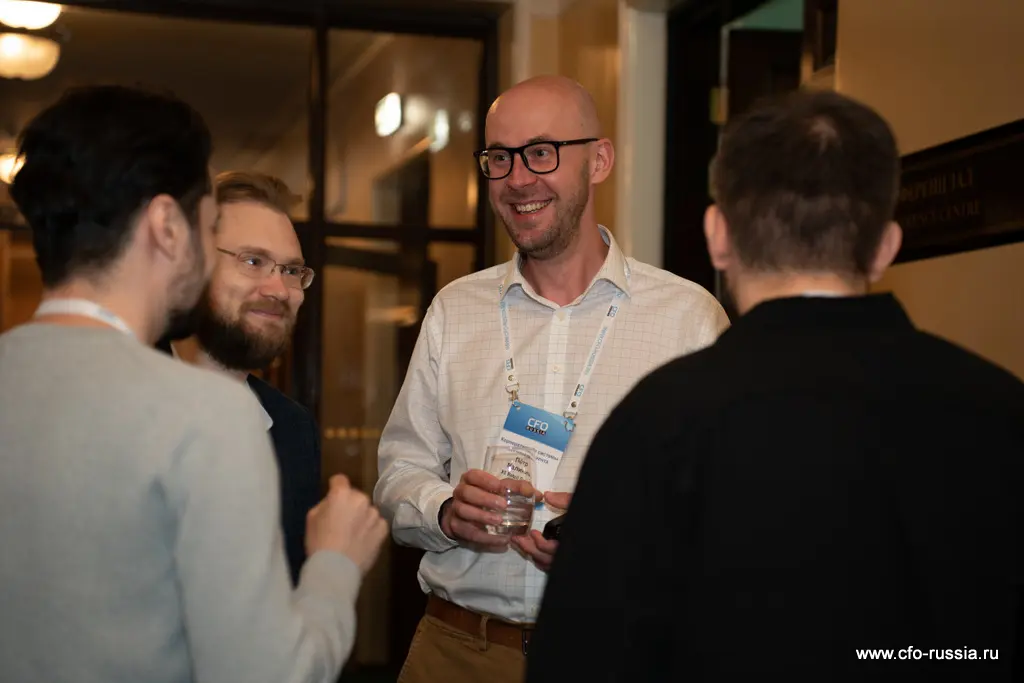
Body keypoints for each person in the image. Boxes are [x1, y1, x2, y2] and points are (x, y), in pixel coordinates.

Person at [526, 89, 1024, 682]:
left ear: (718, 236)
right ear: (886, 248)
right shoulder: (1001, 409)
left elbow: (581, 657)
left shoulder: (657, 420)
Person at [0, 84, 387, 683]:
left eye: (291, 270)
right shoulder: (206, 416)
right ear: (167, 228)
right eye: (209, 231)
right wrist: (336, 562)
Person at [374, 74, 729, 683]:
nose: (517, 179)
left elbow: (729, 506)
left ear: (599, 161)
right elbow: (398, 472)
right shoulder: (454, 310)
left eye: (541, 152)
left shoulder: (688, 319)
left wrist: (621, 542)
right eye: (499, 158)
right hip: (456, 652)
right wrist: (446, 510)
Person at [159, 170, 320, 585]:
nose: (279, 289)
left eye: (292, 270)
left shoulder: (294, 430)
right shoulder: (115, 400)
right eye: (253, 261)